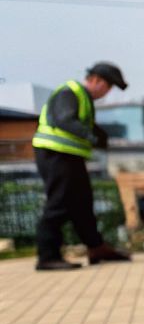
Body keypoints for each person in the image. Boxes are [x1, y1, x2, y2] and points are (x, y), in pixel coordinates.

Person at [34, 62, 133, 271]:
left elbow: (85, 125)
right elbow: (64, 120)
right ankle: (47, 256)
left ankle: (96, 247)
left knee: (82, 203)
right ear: (96, 80)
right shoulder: (70, 92)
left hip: (70, 156)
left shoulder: (84, 100)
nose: (107, 92)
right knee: (58, 204)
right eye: (108, 86)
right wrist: (90, 136)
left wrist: (100, 137)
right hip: (55, 155)